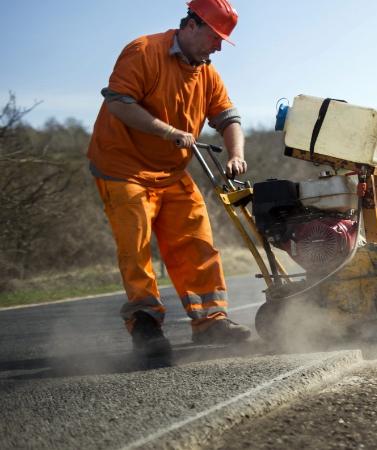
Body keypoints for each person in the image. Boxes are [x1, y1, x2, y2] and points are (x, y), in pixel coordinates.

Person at [87, 0, 251, 356]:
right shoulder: (144, 51)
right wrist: (167, 131)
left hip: (171, 171)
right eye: (215, 36)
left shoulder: (206, 73)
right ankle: (145, 324)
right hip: (123, 166)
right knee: (136, 243)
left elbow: (228, 117)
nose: (219, 46)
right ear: (192, 25)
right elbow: (118, 102)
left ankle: (211, 321)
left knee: (197, 239)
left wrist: (236, 155)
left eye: (224, 40)